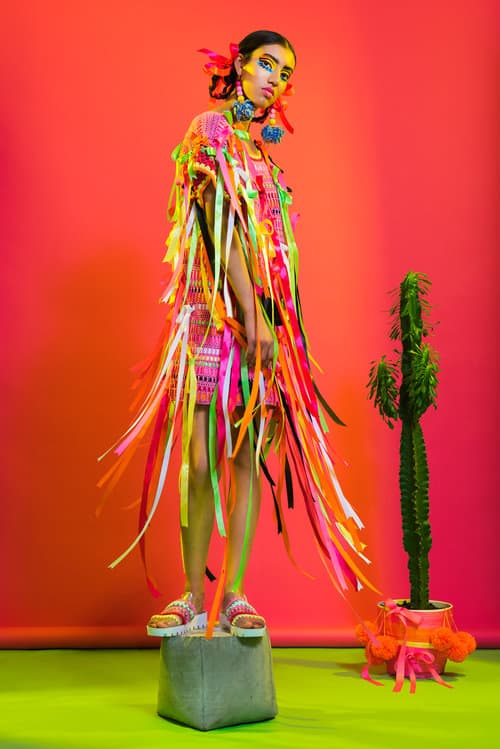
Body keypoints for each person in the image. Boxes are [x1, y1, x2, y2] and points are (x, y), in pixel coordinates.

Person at [99, 30, 377, 640]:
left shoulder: (266, 160)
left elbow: (276, 255)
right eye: (266, 64)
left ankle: (236, 594)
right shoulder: (210, 133)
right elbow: (213, 228)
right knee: (199, 462)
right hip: (211, 319)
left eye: (285, 72)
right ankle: (193, 597)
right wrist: (249, 315)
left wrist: (274, 324)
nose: (275, 79)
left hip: (267, 332)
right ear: (239, 67)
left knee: (249, 460)